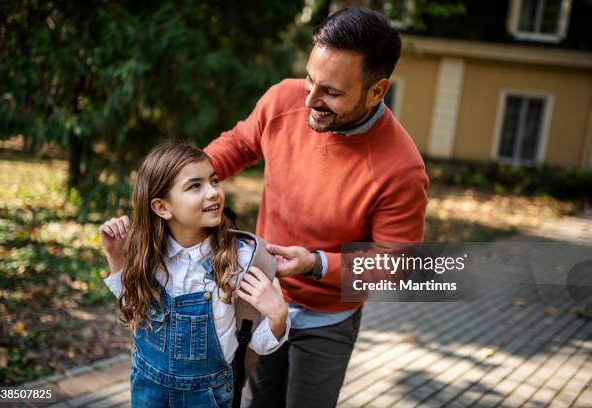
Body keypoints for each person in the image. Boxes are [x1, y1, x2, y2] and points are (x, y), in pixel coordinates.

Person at [204, 6, 428, 408]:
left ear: (377, 91)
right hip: (264, 295)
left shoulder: (400, 168)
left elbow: (397, 262)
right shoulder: (283, 100)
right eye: (310, 79)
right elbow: (237, 146)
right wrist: (180, 181)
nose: (310, 100)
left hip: (329, 318)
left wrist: (316, 264)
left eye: (332, 92)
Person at [99, 142, 290, 408]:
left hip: (209, 398)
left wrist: (278, 317)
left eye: (214, 181)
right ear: (162, 207)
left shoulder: (242, 260)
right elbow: (134, 306)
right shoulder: (147, 253)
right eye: (195, 186)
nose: (213, 192)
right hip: (147, 391)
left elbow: (254, 343)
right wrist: (115, 256)